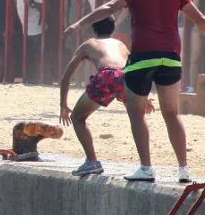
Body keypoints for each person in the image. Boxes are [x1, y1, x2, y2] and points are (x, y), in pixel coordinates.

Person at [65, 0, 205, 183]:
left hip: (142, 58)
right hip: (170, 57)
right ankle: (183, 169)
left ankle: (146, 168)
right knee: (172, 113)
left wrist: (79, 23)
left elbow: (109, 8)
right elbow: (198, 17)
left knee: (136, 113)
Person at [59, 17, 143, 177]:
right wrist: (142, 96)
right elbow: (133, 67)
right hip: (126, 77)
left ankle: (92, 161)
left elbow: (66, 77)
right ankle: (145, 165)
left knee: (77, 117)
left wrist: (63, 104)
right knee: (137, 118)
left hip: (107, 75)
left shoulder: (89, 44)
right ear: (112, 29)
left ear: (94, 29)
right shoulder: (120, 44)